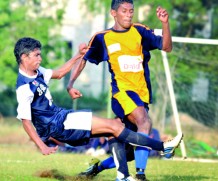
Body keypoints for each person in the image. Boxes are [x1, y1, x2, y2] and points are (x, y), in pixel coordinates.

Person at [14, 37, 182, 180]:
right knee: (115, 127)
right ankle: (162, 147)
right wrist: (42, 146)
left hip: (62, 117)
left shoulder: (38, 72)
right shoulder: (23, 88)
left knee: (114, 130)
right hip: (58, 126)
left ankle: (123, 176)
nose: (40, 58)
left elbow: (58, 74)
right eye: (36, 55)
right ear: (24, 57)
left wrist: (78, 56)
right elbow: (26, 121)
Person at [67, 0, 173, 180]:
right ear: (113, 13)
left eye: (131, 11)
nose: (129, 14)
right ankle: (140, 175)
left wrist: (165, 23)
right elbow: (83, 58)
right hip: (121, 93)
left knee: (129, 151)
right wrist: (70, 84)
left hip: (142, 94)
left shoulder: (140, 31)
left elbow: (166, 47)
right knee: (144, 121)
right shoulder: (102, 37)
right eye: (124, 11)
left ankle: (96, 169)